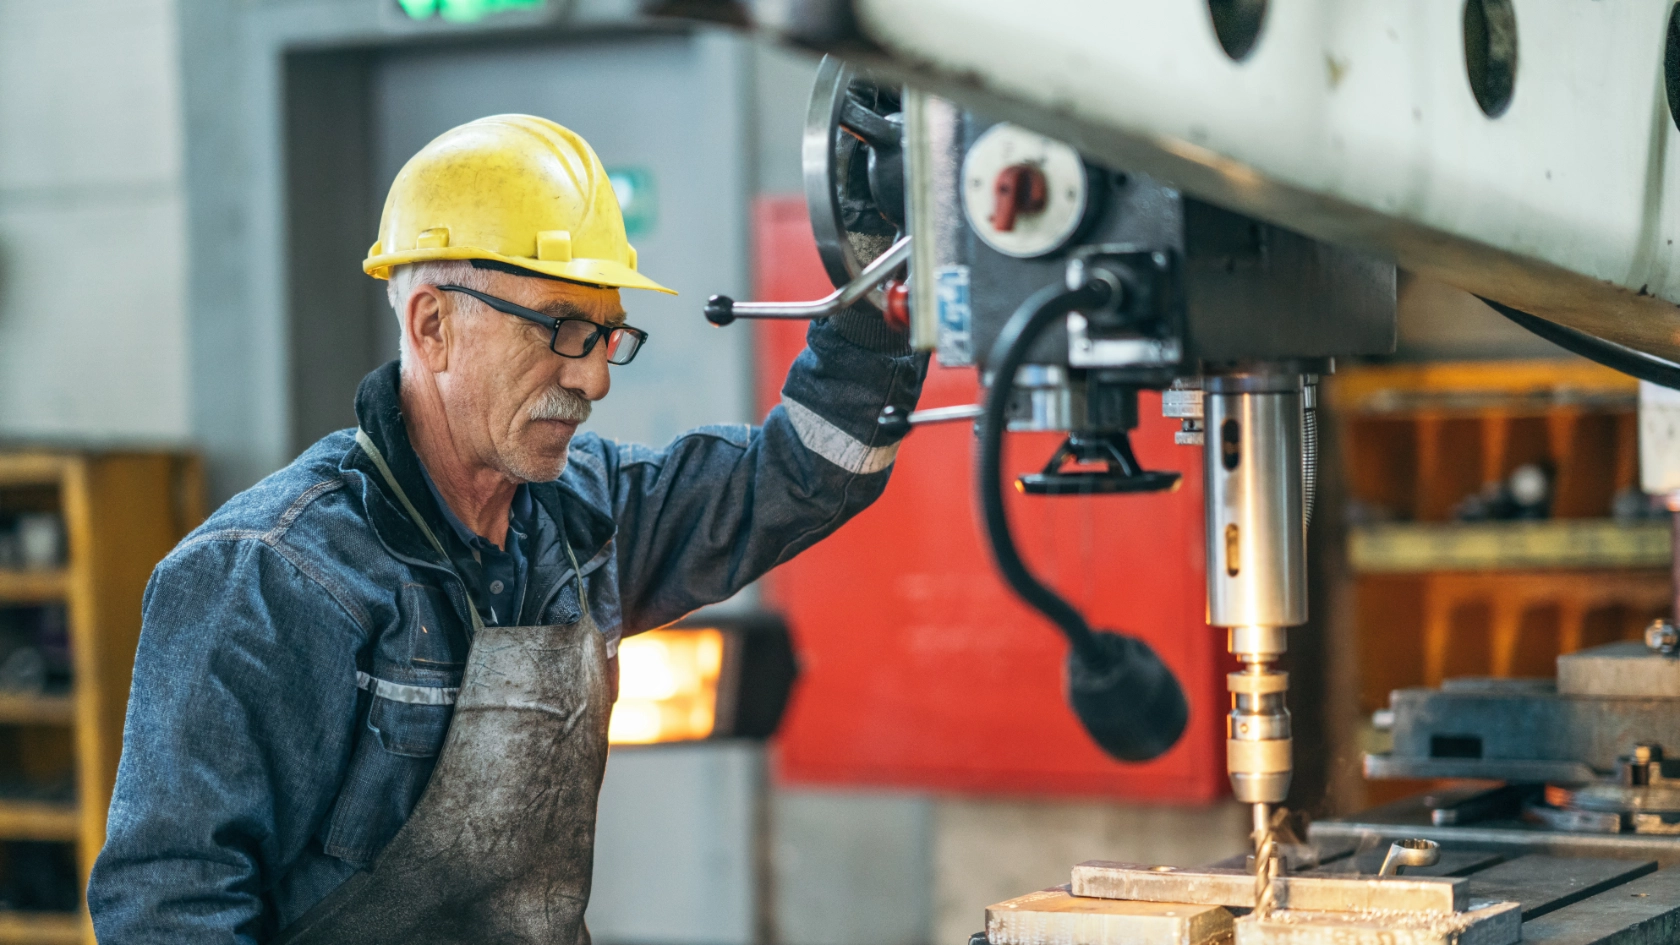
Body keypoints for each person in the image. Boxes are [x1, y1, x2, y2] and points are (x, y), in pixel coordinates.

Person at [87, 114, 923, 943]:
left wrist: (882, 271)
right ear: (433, 327)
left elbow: (806, 472)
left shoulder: (585, 519)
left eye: (607, 335)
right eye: (562, 328)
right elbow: (169, 906)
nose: (594, 378)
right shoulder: (272, 575)